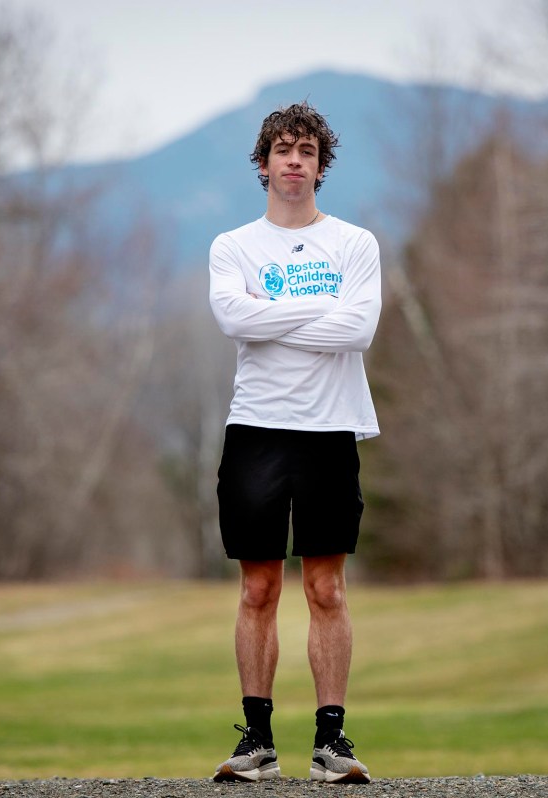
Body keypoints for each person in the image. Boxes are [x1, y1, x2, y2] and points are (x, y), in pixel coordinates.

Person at [207, 101, 381, 784]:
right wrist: (319, 312)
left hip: (329, 430)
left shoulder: (355, 244)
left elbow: (358, 330)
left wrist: (268, 317)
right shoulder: (233, 247)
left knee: (326, 589)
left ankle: (331, 746)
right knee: (257, 589)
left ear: (319, 165)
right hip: (256, 430)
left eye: (306, 150)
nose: (294, 160)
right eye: (283, 149)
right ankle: (256, 742)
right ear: (264, 163)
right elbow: (230, 315)